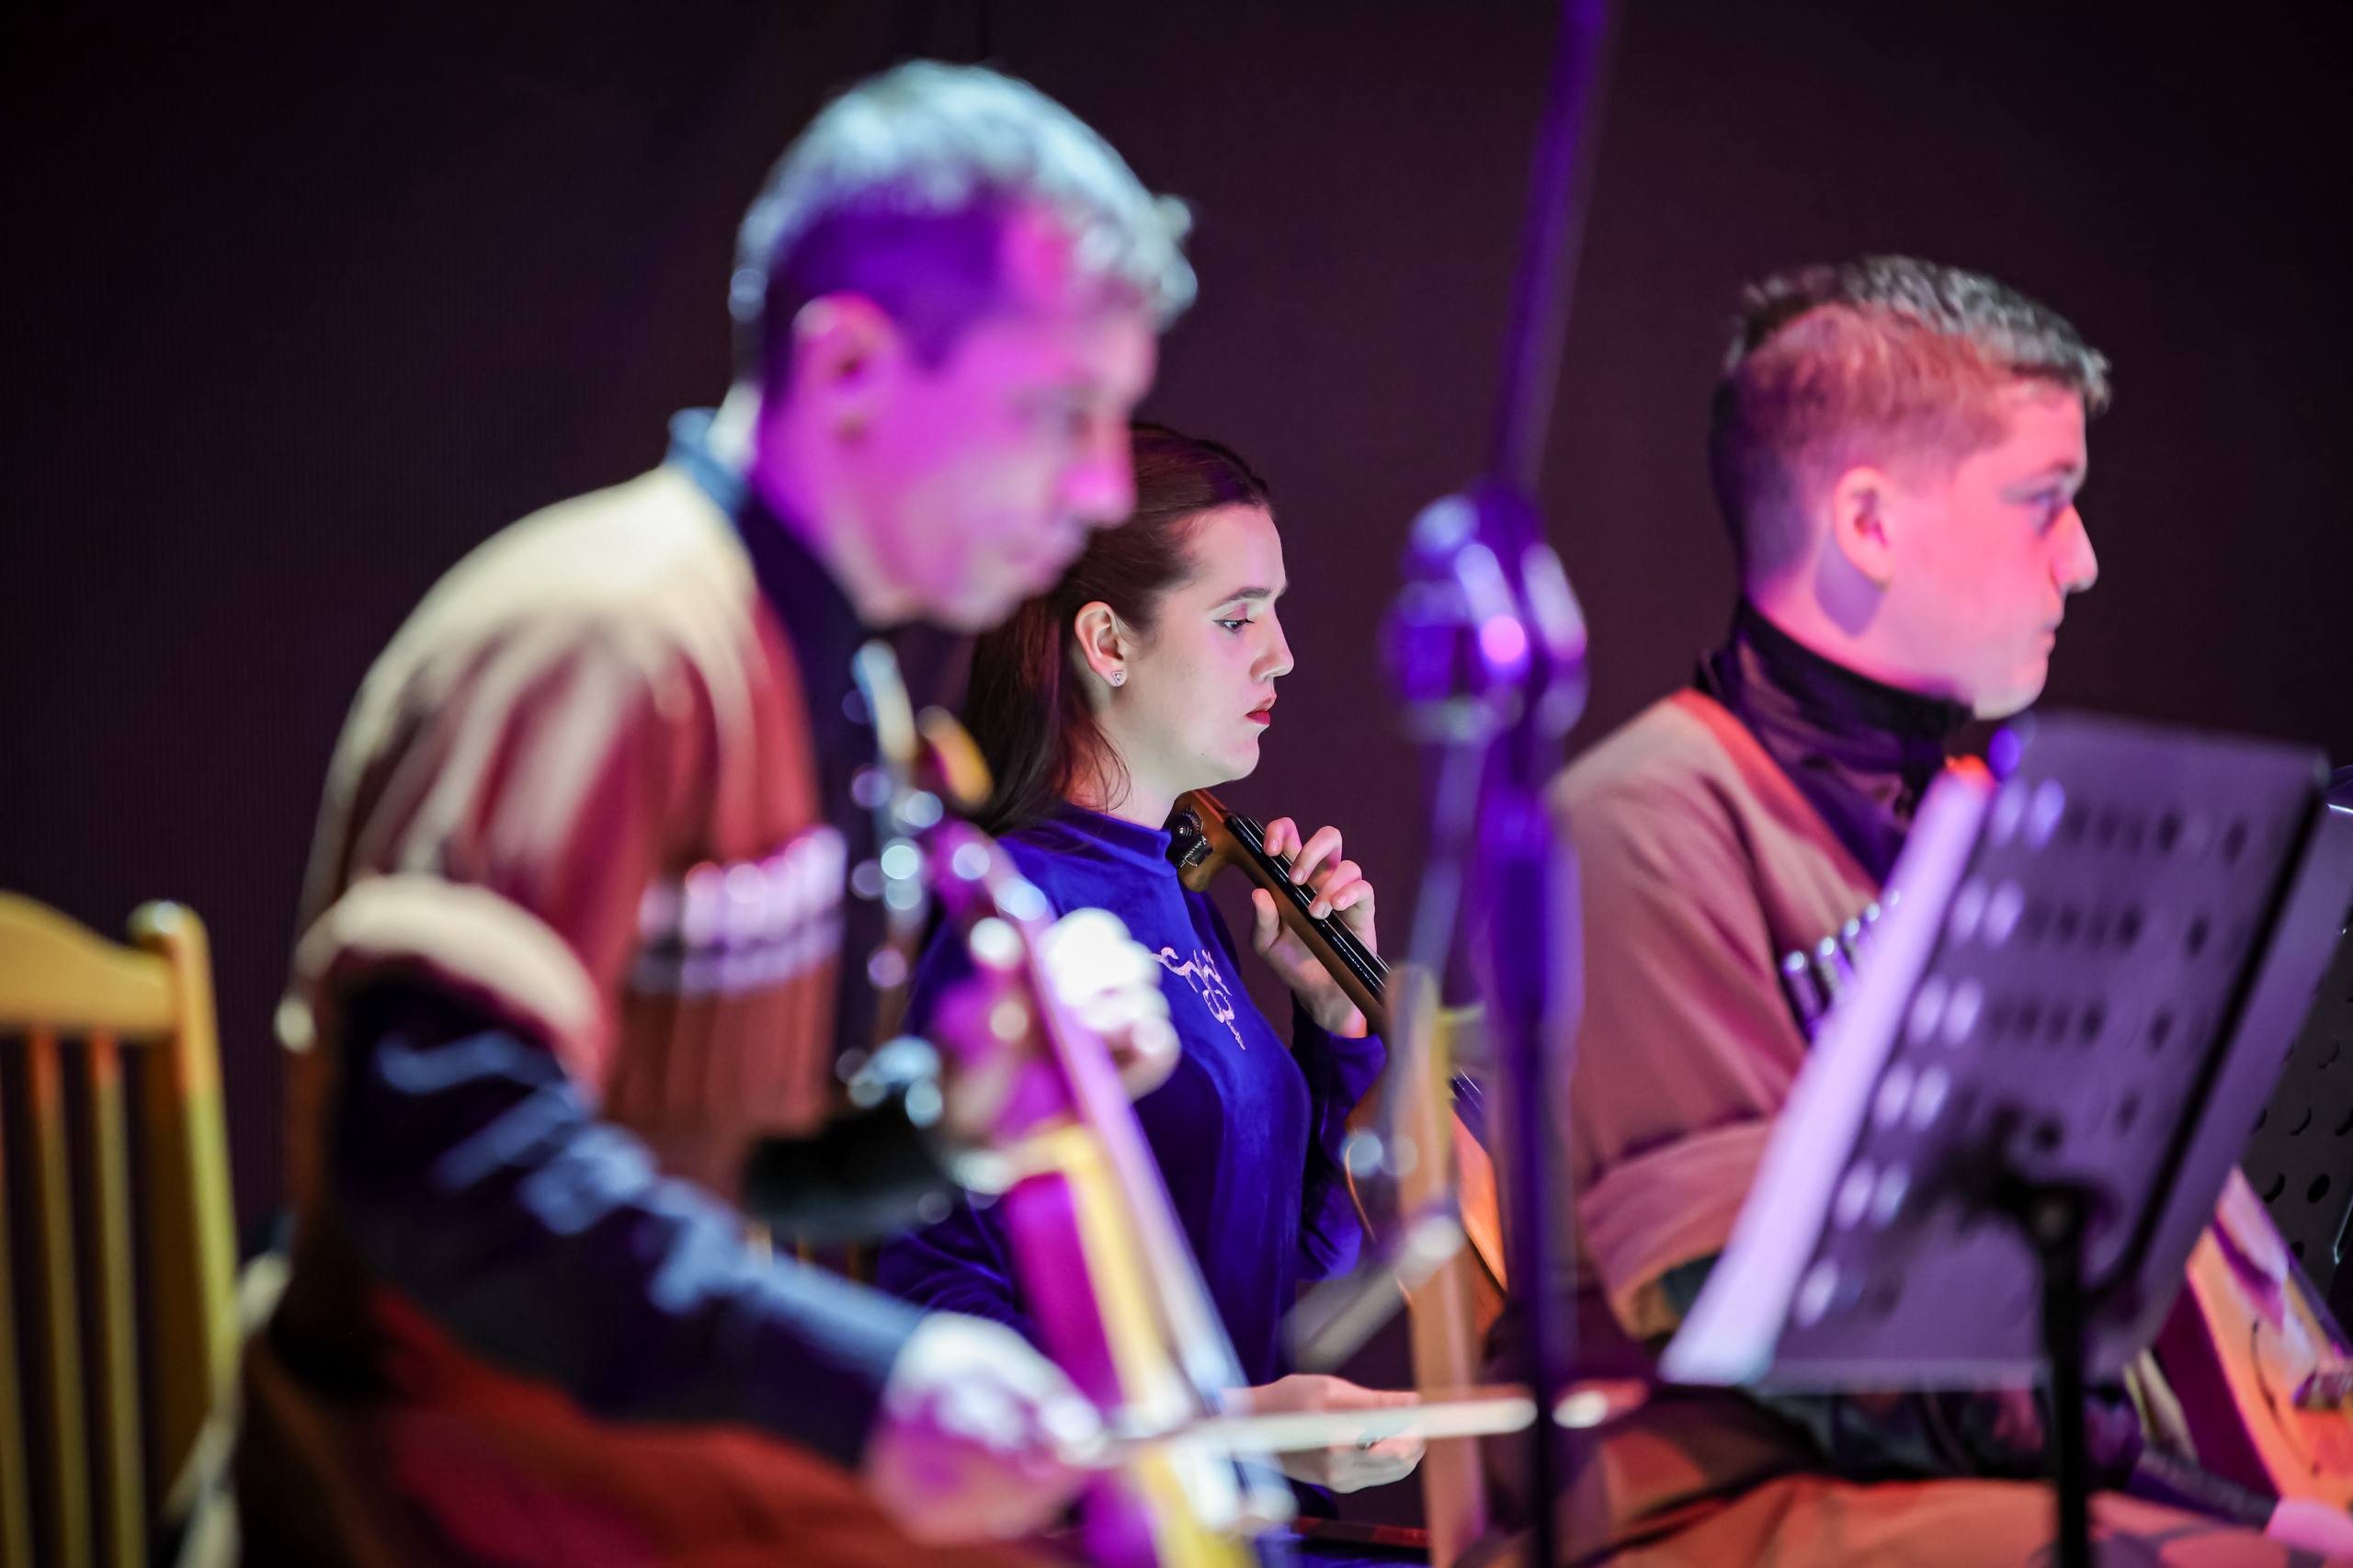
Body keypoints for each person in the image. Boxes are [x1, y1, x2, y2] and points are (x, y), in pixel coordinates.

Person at [236, 61, 1199, 1565]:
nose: (1094, 489)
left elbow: (727, 1158)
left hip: (615, 1461)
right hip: (435, 1487)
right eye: (1062, 413)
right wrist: (870, 1380)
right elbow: (447, 1156)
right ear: (853, 367)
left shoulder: (848, 701)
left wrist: (952, 1117)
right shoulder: (608, 638)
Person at [1503, 256, 2350, 1563]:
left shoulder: (1957, 816)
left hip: (1957, 1490)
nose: (2083, 559)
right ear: (1871, 523)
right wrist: (2243, 1511)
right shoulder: (1644, 821)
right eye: (2043, 501)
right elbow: (1809, 1365)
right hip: (1711, 1510)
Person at [877, 423, 1426, 1502]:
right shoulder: (1003, 910)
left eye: (1274, 610)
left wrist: (1335, 1028)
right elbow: (932, 1296)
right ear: (1107, 641)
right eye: (1237, 617)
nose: (1282, 652)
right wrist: (1224, 1429)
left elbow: (1277, 1271)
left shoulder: (1182, 894)